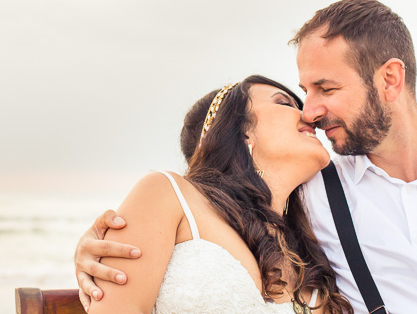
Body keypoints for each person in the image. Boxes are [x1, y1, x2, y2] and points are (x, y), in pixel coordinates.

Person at [75, 0, 417, 313]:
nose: (310, 112)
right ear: (241, 129)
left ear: (390, 79)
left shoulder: (298, 221)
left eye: (326, 89)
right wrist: (97, 249)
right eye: (297, 95)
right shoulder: (316, 194)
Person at [86, 74, 352, 314]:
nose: (309, 115)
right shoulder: (168, 194)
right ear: (243, 130)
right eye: (284, 103)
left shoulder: (316, 237)